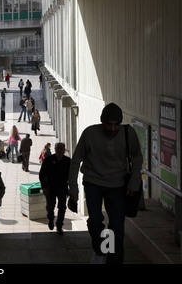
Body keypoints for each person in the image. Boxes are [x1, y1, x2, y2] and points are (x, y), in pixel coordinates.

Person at [68, 103, 143, 264]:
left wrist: (134, 182)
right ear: (102, 122)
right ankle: (101, 249)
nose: (113, 128)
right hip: (93, 182)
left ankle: (114, 261)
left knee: (117, 226)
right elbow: (75, 161)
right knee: (95, 221)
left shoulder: (128, 133)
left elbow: (137, 157)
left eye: (116, 124)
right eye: (109, 124)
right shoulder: (90, 133)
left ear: (120, 123)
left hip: (117, 184)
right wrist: (73, 188)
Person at [39, 142, 70, 234]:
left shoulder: (68, 161)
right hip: (50, 188)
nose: (59, 150)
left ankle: (59, 225)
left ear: (64, 150)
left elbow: (72, 176)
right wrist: (44, 187)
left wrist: (72, 188)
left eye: (61, 148)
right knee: (50, 207)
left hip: (62, 188)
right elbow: (42, 174)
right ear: (55, 149)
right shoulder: (48, 160)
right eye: (58, 148)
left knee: (62, 208)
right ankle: (51, 219)